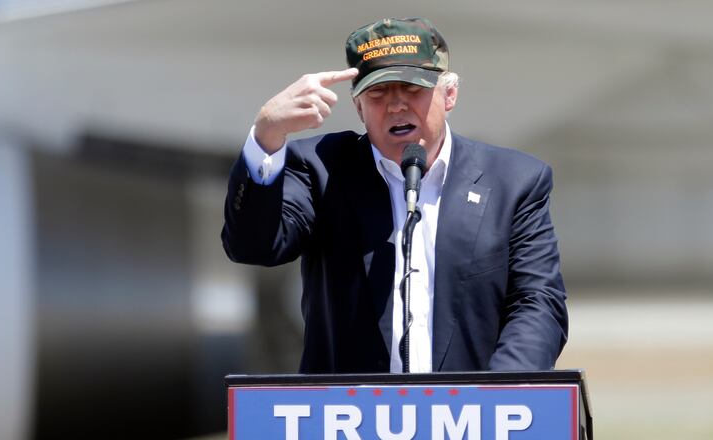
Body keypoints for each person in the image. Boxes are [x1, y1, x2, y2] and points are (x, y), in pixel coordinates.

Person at [222, 17, 568, 374]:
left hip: (471, 419)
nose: (396, 105)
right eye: (378, 92)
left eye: (412, 88)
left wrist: (496, 396)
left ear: (449, 95)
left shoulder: (514, 181)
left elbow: (537, 302)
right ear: (358, 108)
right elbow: (253, 246)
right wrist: (267, 135)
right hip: (349, 419)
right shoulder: (320, 168)